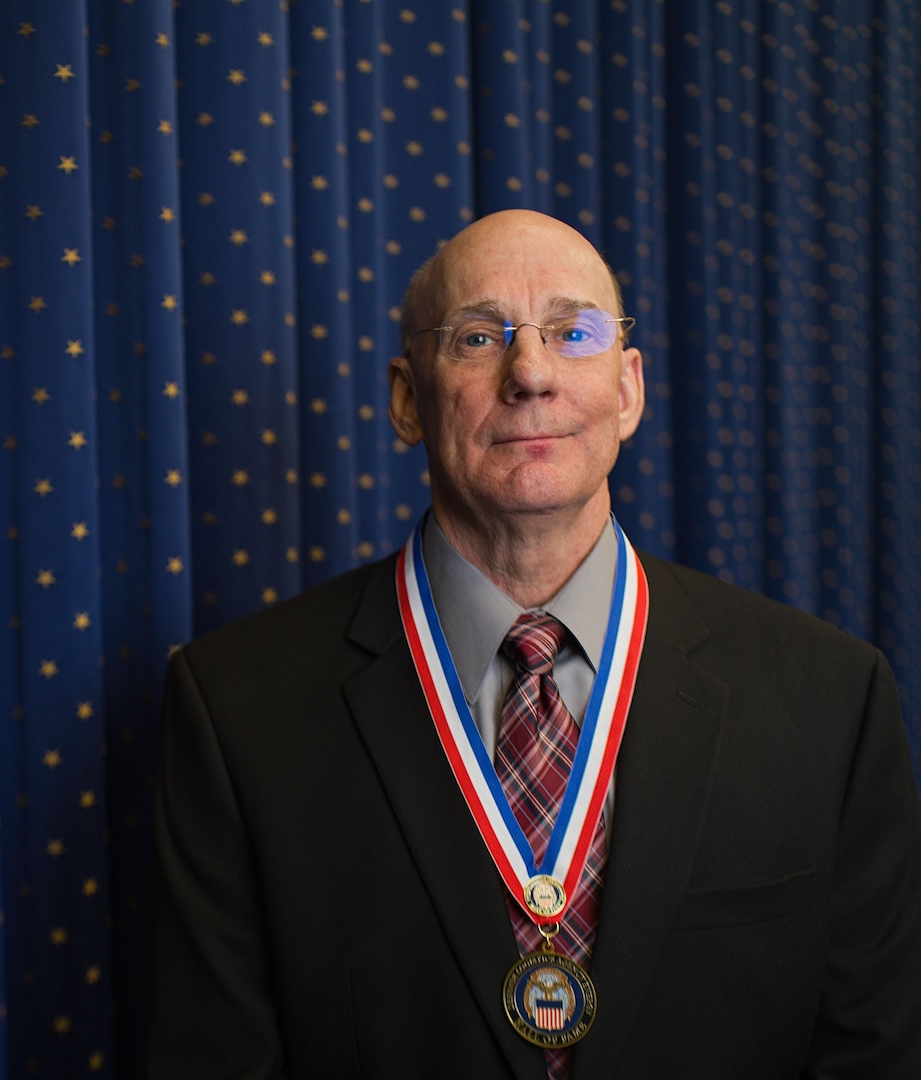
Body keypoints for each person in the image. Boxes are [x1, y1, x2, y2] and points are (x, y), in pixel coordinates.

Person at [147, 210, 921, 1079]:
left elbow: (870, 1053)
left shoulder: (829, 698)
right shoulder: (234, 709)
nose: (530, 373)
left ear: (627, 389)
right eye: (478, 337)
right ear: (408, 398)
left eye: (572, 331)